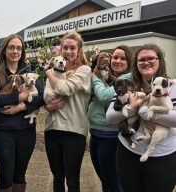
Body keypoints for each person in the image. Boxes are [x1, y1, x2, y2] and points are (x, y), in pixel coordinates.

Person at [106, 44, 176, 192]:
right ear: (136, 64)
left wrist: (143, 110)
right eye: (141, 59)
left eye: (151, 58)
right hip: (127, 154)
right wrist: (132, 108)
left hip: (162, 157)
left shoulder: (172, 86)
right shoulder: (127, 85)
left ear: (160, 61)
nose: (146, 62)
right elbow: (111, 117)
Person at [0, 34, 45, 192]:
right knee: (5, 177)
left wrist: (20, 107)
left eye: (19, 48)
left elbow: (41, 97)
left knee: (20, 176)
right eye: (11, 47)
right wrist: (19, 96)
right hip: (3, 132)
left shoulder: (29, 73)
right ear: (4, 50)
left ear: (22, 51)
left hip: (26, 132)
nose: (15, 51)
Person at [43, 31, 92, 192]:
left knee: (72, 180)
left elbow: (65, 89)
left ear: (79, 51)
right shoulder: (56, 72)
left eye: (72, 48)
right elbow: (46, 98)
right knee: (57, 177)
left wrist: (48, 72)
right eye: (65, 48)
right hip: (52, 129)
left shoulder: (84, 70)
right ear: (60, 50)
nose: (68, 51)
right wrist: (47, 107)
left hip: (74, 131)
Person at [87, 45, 133, 192]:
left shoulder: (127, 78)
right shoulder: (109, 76)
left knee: (113, 183)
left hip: (111, 137)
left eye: (122, 58)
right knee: (105, 181)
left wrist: (94, 77)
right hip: (95, 134)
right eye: (115, 57)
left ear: (129, 62)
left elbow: (104, 96)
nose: (117, 60)